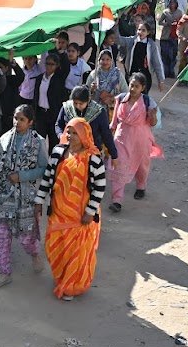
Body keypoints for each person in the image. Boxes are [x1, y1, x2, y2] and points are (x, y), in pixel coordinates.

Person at [34, 118, 107, 301]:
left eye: (75, 133)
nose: (71, 136)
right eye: (69, 132)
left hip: (80, 216)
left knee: (76, 251)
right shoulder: (58, 152)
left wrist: (90, 211)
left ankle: (71, 285)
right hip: (58, 211)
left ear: (84, 136)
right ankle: (61, 277)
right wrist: (39, 200)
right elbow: (48, 178)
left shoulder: (93, 159)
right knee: (55, 245)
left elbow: (99, 188)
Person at [0, 105, 47, 289]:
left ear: (30, 122)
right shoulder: (4, 139)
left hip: (25, 196)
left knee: (27, 238)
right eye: (15, 118)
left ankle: (34, 254)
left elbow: (44, 168)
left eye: (22, 119)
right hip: (1, 194)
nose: (17, 122)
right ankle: (4, 272)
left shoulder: (38, 141)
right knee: (0, 235)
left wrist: (22, 176)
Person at [109, 72, 163, 212]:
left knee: (142, 165)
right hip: (122, 136)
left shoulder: (148, 102)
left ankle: (141, 186)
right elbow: (114, 121)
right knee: (118, 165)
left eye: (136, 86)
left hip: (141, 138)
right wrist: (108, 136)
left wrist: (153, 116)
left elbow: (153, 123)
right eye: (131, 85)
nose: (132, 89)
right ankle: (117, 200)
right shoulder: (120, 98)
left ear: (143, 88)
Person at [56, 85, 117, 163]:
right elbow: (58, 124)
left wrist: (114, 155)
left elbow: (106, 134)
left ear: (88, 101)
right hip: (69, 151)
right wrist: (61, 135)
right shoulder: (67, 108)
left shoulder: (98, 112)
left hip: (91, 154)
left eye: (81, 104)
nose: (78, 106)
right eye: (75, 103)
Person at [31, 51, 69, 150]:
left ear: (57, 65)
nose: (49, 66)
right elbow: (36, 96)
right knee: (39, 142)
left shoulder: (59, 79)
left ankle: (52, 160)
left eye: (52, 64)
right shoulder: (39, 78)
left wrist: (61, 52)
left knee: (54, 143)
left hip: (53, 115)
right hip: (41, 115)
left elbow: (66, 67)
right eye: (47, 63)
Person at [125, 21, 167, 93]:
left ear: (148, 32)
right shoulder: (132, 40)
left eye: (143, 30)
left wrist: (161, 80)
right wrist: (115, 25)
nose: (140, 32)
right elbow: (118, 39)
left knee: (143, 97)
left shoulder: (152, 45)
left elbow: (157, 64)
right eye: (139, 30)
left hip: (145, 76)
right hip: (132, 74)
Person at [159, 0, 184, 80]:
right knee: (165, 54)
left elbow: (182, 23)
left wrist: (177, 24)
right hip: (165, 36)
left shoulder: (179, 12)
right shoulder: (165, 12)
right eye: (171, 3)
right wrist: (167, 24)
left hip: (174, 36)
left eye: (174, 3)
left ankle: (171, 70)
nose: (172, 4)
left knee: (173, 55)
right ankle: (165, 71)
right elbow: (160, 22)